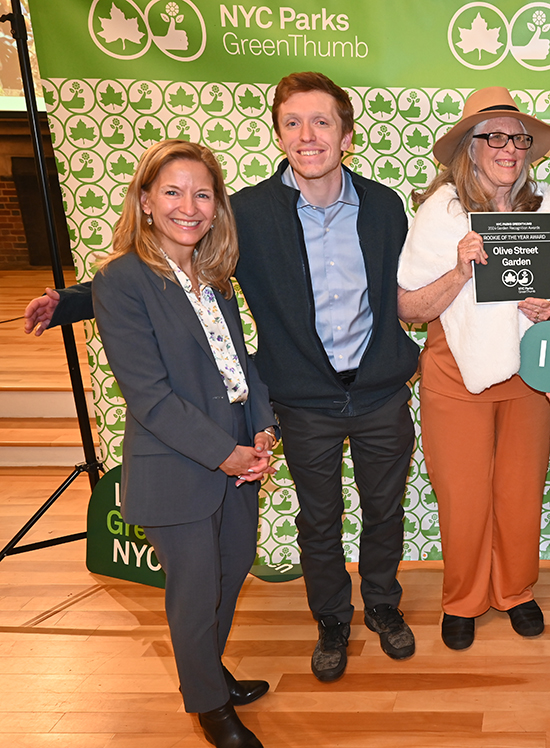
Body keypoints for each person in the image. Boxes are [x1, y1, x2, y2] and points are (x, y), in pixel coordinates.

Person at [24, 72, 421, 683]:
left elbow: (408, 282)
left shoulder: (384, 205)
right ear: (279, 134)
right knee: (318, 517)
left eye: (322, 122)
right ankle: (332, 619)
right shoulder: (252, 212)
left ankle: (385, 605)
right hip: (302, 398)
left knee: (384, 508)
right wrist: (76, 300)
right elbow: (175, 266)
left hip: (379, 390)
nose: (307, 135)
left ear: (346, 133)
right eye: (293, 122)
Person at [92, 140, 277, 748]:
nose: (189, 206)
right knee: (195, 591)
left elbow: (238, 365)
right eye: (172, 191)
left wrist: (262, 426)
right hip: (179, 464)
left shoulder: (213, 277)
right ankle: (208, 707)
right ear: (145, 201)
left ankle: (207, 672)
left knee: (231, 570)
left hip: (235, 452)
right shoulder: (122, 281)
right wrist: (225, 454)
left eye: (203, 193)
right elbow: (149, 396)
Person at [397, 87, 550, 650]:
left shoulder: (546, 209)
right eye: (494, 136)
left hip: (527, 374)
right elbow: (408, 307)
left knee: (520, 493)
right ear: (470, 147)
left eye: (517, 138)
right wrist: (460, 270)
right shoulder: (441, 211)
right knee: (463, 496)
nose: (509, 148)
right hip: (454, 372)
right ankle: (464, 599)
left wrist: (548, 306)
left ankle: (515, 591)